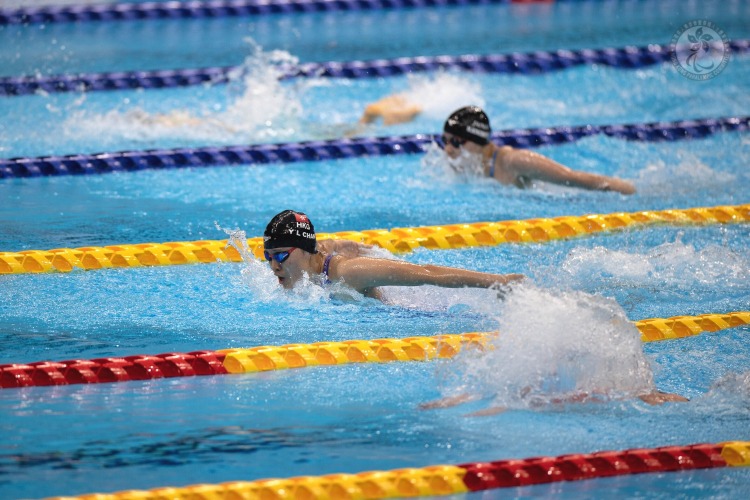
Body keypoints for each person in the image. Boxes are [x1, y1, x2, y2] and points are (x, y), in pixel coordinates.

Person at [361, 100, 636, 194]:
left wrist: (629, 190)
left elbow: (576, 179)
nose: (449, 150)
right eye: (445, 141)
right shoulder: (463, 163)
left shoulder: (514, 161)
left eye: (457, 141)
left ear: (479, 141)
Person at [262, 210, 524, 301]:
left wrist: (498, 281)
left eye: (281, 256)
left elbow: (427, 273)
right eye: (268, 256)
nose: (273, 266)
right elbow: (328, 243)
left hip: (418, 312)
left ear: (306, 249)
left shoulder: (348, 273)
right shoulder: (315, 258)